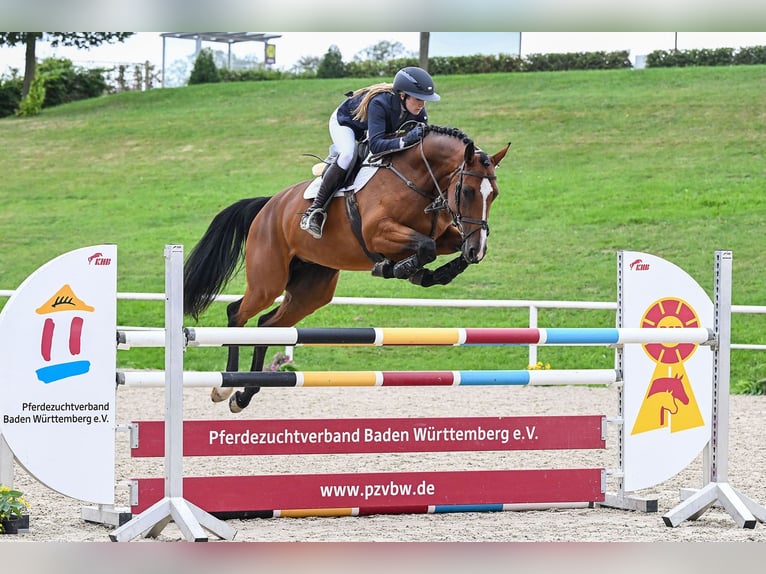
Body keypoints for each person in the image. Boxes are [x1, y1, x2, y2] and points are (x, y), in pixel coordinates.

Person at [300, 66, 441, 239]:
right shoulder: (380, 103)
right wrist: (405, 140)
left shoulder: (418, 112)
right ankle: (315, 210)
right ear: (403, 95)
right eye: (418, 99)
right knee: (347, 155)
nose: (422, 104)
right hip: (346, 124)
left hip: (371, 130)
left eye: (425, 100)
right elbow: (376, 145)